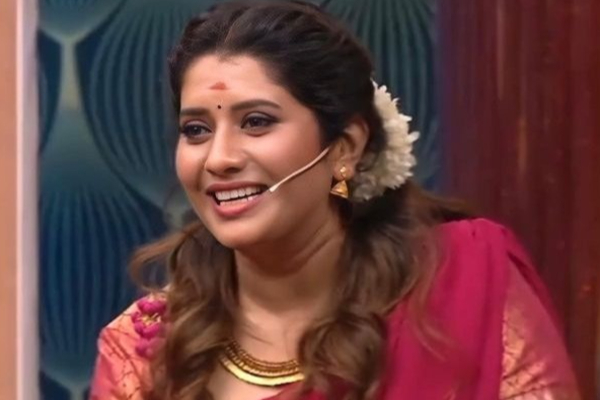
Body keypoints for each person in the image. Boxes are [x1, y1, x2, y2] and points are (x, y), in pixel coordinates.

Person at [89, 1, 580, 399]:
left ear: (345, 148)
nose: (218, 159)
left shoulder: (464, 287)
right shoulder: (143, 351)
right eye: (196, 129)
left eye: (256, 122)